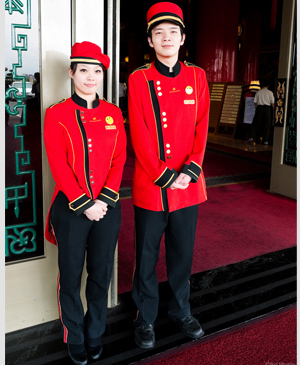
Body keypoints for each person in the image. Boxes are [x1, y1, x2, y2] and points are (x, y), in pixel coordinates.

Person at [128, 2, 210, 349]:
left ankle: (181, 310)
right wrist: (164, 175)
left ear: (182, 38)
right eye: (158, 33)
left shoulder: (197, 75)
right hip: (152, 184)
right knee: (146, 256)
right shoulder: (139, 78)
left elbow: (201, 126)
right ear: (150, 40)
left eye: (172, 32)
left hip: (188, 186)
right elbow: (141, 133)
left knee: (181, 254)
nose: (166, 38)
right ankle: (144, 317)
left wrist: (190, 170)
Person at [44, 41, 127, 365]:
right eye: (84, 70)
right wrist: (85, 203)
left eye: (96, 71)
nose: (90, 77)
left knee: (100, 274)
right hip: (72, 209)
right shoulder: (57, 113)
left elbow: (119, 159)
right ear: (72, 72)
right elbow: (58, 164)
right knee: (70, 274)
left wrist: (103, 200)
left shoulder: (113, 113)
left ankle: (95, 333)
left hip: (108, 207)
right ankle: (75, 336)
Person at [248, 79, 275, 145]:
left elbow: (255, 103)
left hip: (259, 108)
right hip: (267, 109)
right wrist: (274, 111)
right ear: (268, 85)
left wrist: (257, 109)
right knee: (266, 124)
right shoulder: (270, 92)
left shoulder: (258, 92)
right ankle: (265, 140)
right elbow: (272, 103)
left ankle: (251, 137)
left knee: (255, 123)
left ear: (261, 85)